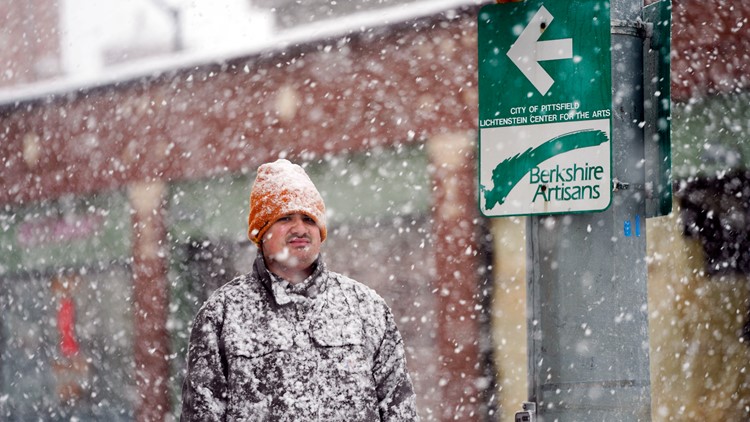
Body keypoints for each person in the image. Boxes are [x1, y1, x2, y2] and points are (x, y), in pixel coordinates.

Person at [180, 159, 419, 421]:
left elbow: (400, 411)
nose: (300, 228)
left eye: (308, 218)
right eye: (285, 218)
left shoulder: (366, 308)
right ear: (262, 231)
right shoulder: (223, 313)